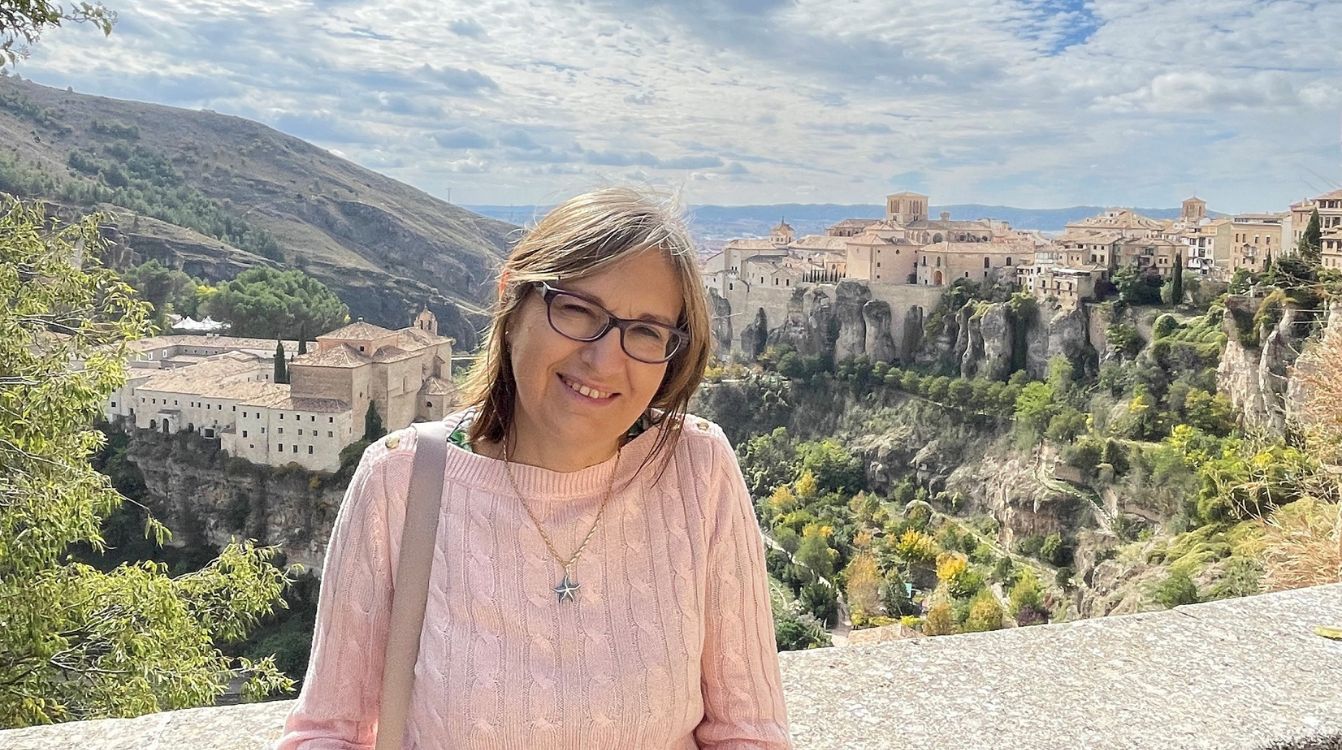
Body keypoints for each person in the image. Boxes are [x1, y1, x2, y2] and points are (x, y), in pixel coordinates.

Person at [277, 188, 792, 749]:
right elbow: (327, 733)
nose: (603, 358)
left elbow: (750, 733)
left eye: (645, 331)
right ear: (512, 302)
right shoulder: (400, 481)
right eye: (577, 310)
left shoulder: (698, 468)